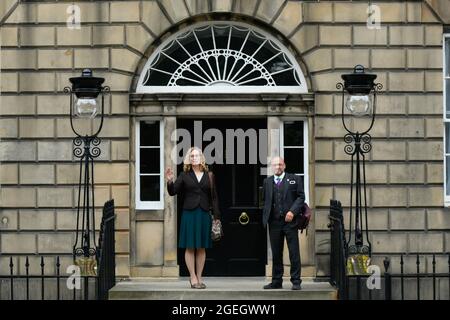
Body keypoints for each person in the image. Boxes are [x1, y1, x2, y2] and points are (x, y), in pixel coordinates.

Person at [165, 146, 221, 289]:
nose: (194, 158)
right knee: (190, 246)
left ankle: (200, 277)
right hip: (189, 214)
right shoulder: (184, 175)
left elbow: (214, 197)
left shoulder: (210, 175)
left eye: (196, 155)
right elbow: (173, 192)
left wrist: (216, 216)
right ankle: (192, 277)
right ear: (188, 159)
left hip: (203, 213)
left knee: (201, 247)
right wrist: (170, 181)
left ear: (201, 158)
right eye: (192, 156)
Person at [262, 156, 305, 290]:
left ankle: (296, 281)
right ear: (272, 167)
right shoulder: (267, 182)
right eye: (275, 165)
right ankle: (276, 281)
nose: (278, 167)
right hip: (274, 222)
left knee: (294, 252)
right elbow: (265, 200)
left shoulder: (294, 179)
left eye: (280, 164)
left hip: (290, 222)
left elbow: (301, 197)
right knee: (276, 253)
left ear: (284, 165)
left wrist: (292, 211)